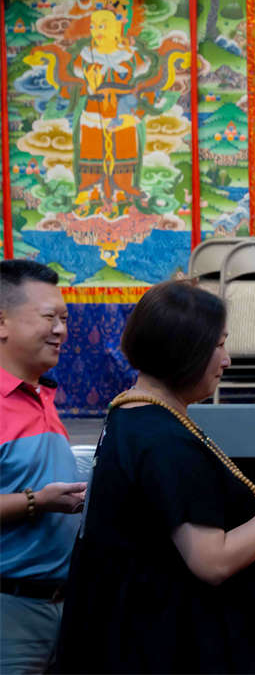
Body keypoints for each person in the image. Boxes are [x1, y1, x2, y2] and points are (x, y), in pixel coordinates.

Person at [55, 280, 255, 674]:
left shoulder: (133, 412)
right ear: (184, 352)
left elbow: (168, 521)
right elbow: (212, 561)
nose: (227, 360)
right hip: (167, 648)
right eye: (219, 345)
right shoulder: (163, 439)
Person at [0, 261, 84, 675]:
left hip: (62, 606)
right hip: (10, 609)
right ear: (2, 322)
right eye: (50, 317)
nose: (60, 331)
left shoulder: (42, 396)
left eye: (64, 319)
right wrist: (37, 501)